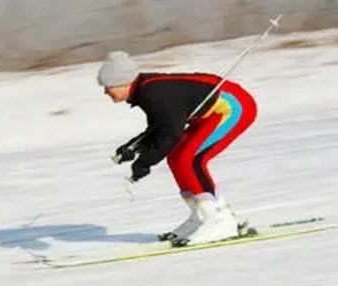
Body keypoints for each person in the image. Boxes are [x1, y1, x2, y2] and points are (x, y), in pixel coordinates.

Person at [97, 51, 258, 245]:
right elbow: (160, 127)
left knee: (190, 158)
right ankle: (200, 216)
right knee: (176, 157)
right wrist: (133, 147)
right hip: (209, 114)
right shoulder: (146, 91)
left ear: (123, 81)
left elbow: (170, 133)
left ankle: (219, 220)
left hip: (232, 106)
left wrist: (145, 161)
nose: (105, 91)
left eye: (108, 86)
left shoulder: (153, 94)